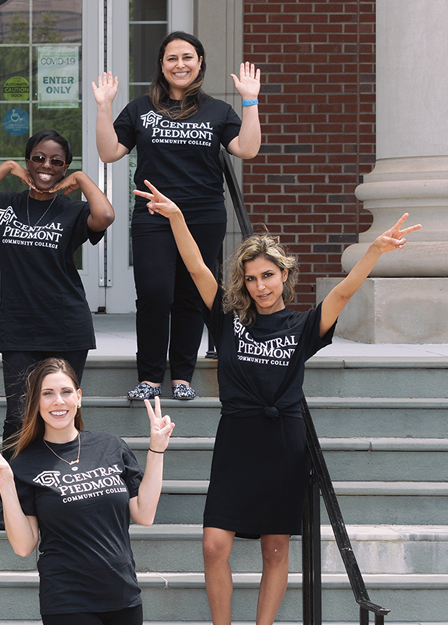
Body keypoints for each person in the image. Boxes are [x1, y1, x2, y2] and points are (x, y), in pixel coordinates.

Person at [135, 181, 419, 625]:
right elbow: (195, 269)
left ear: (284, 274)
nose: (260, 285)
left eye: (267, 275)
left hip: (284, 443)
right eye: (251, 278)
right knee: (214, 544)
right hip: (237, 439)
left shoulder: (303, 325)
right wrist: (176, 219)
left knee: (275, 547)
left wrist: (375, 251)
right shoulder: (228, 321)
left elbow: (343, 293)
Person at [91, 31, 261, 401]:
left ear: (199, 62)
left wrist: (250, 101)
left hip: (203, 215)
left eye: (188, 57)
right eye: (172, 58)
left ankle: (181, 377)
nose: (180, 64)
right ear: (162, 65)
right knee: (154, 293)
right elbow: (108, 152)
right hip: (154, 213)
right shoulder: (140, 109)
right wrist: (104, 108)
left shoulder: (218, 111)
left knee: (190, 295)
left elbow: (246, 149)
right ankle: (150, 378)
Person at [0, 130, 114, 504]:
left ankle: (65, 495)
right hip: (19, 327)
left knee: (64, 414)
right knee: (17, 416)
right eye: (38, 158)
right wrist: (7, 167)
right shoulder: (5, 204)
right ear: (28, 161)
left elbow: (105, 214)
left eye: (57, 161)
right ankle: (16, 500)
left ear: (65, 167)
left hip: (66, 326)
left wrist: (80, 180)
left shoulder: (73, 211)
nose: (46, 166)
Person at [0, 358, 174, 625]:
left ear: (78, 397)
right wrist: (6, 486)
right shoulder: (25, 463)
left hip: (123, 594)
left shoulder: (111, 446)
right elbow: (24, 546)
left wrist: (157, 450)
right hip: (67, 601)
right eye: (47, 394)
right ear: (36, 403)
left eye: (66, 392)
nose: (58, 401)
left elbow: (145, 513)